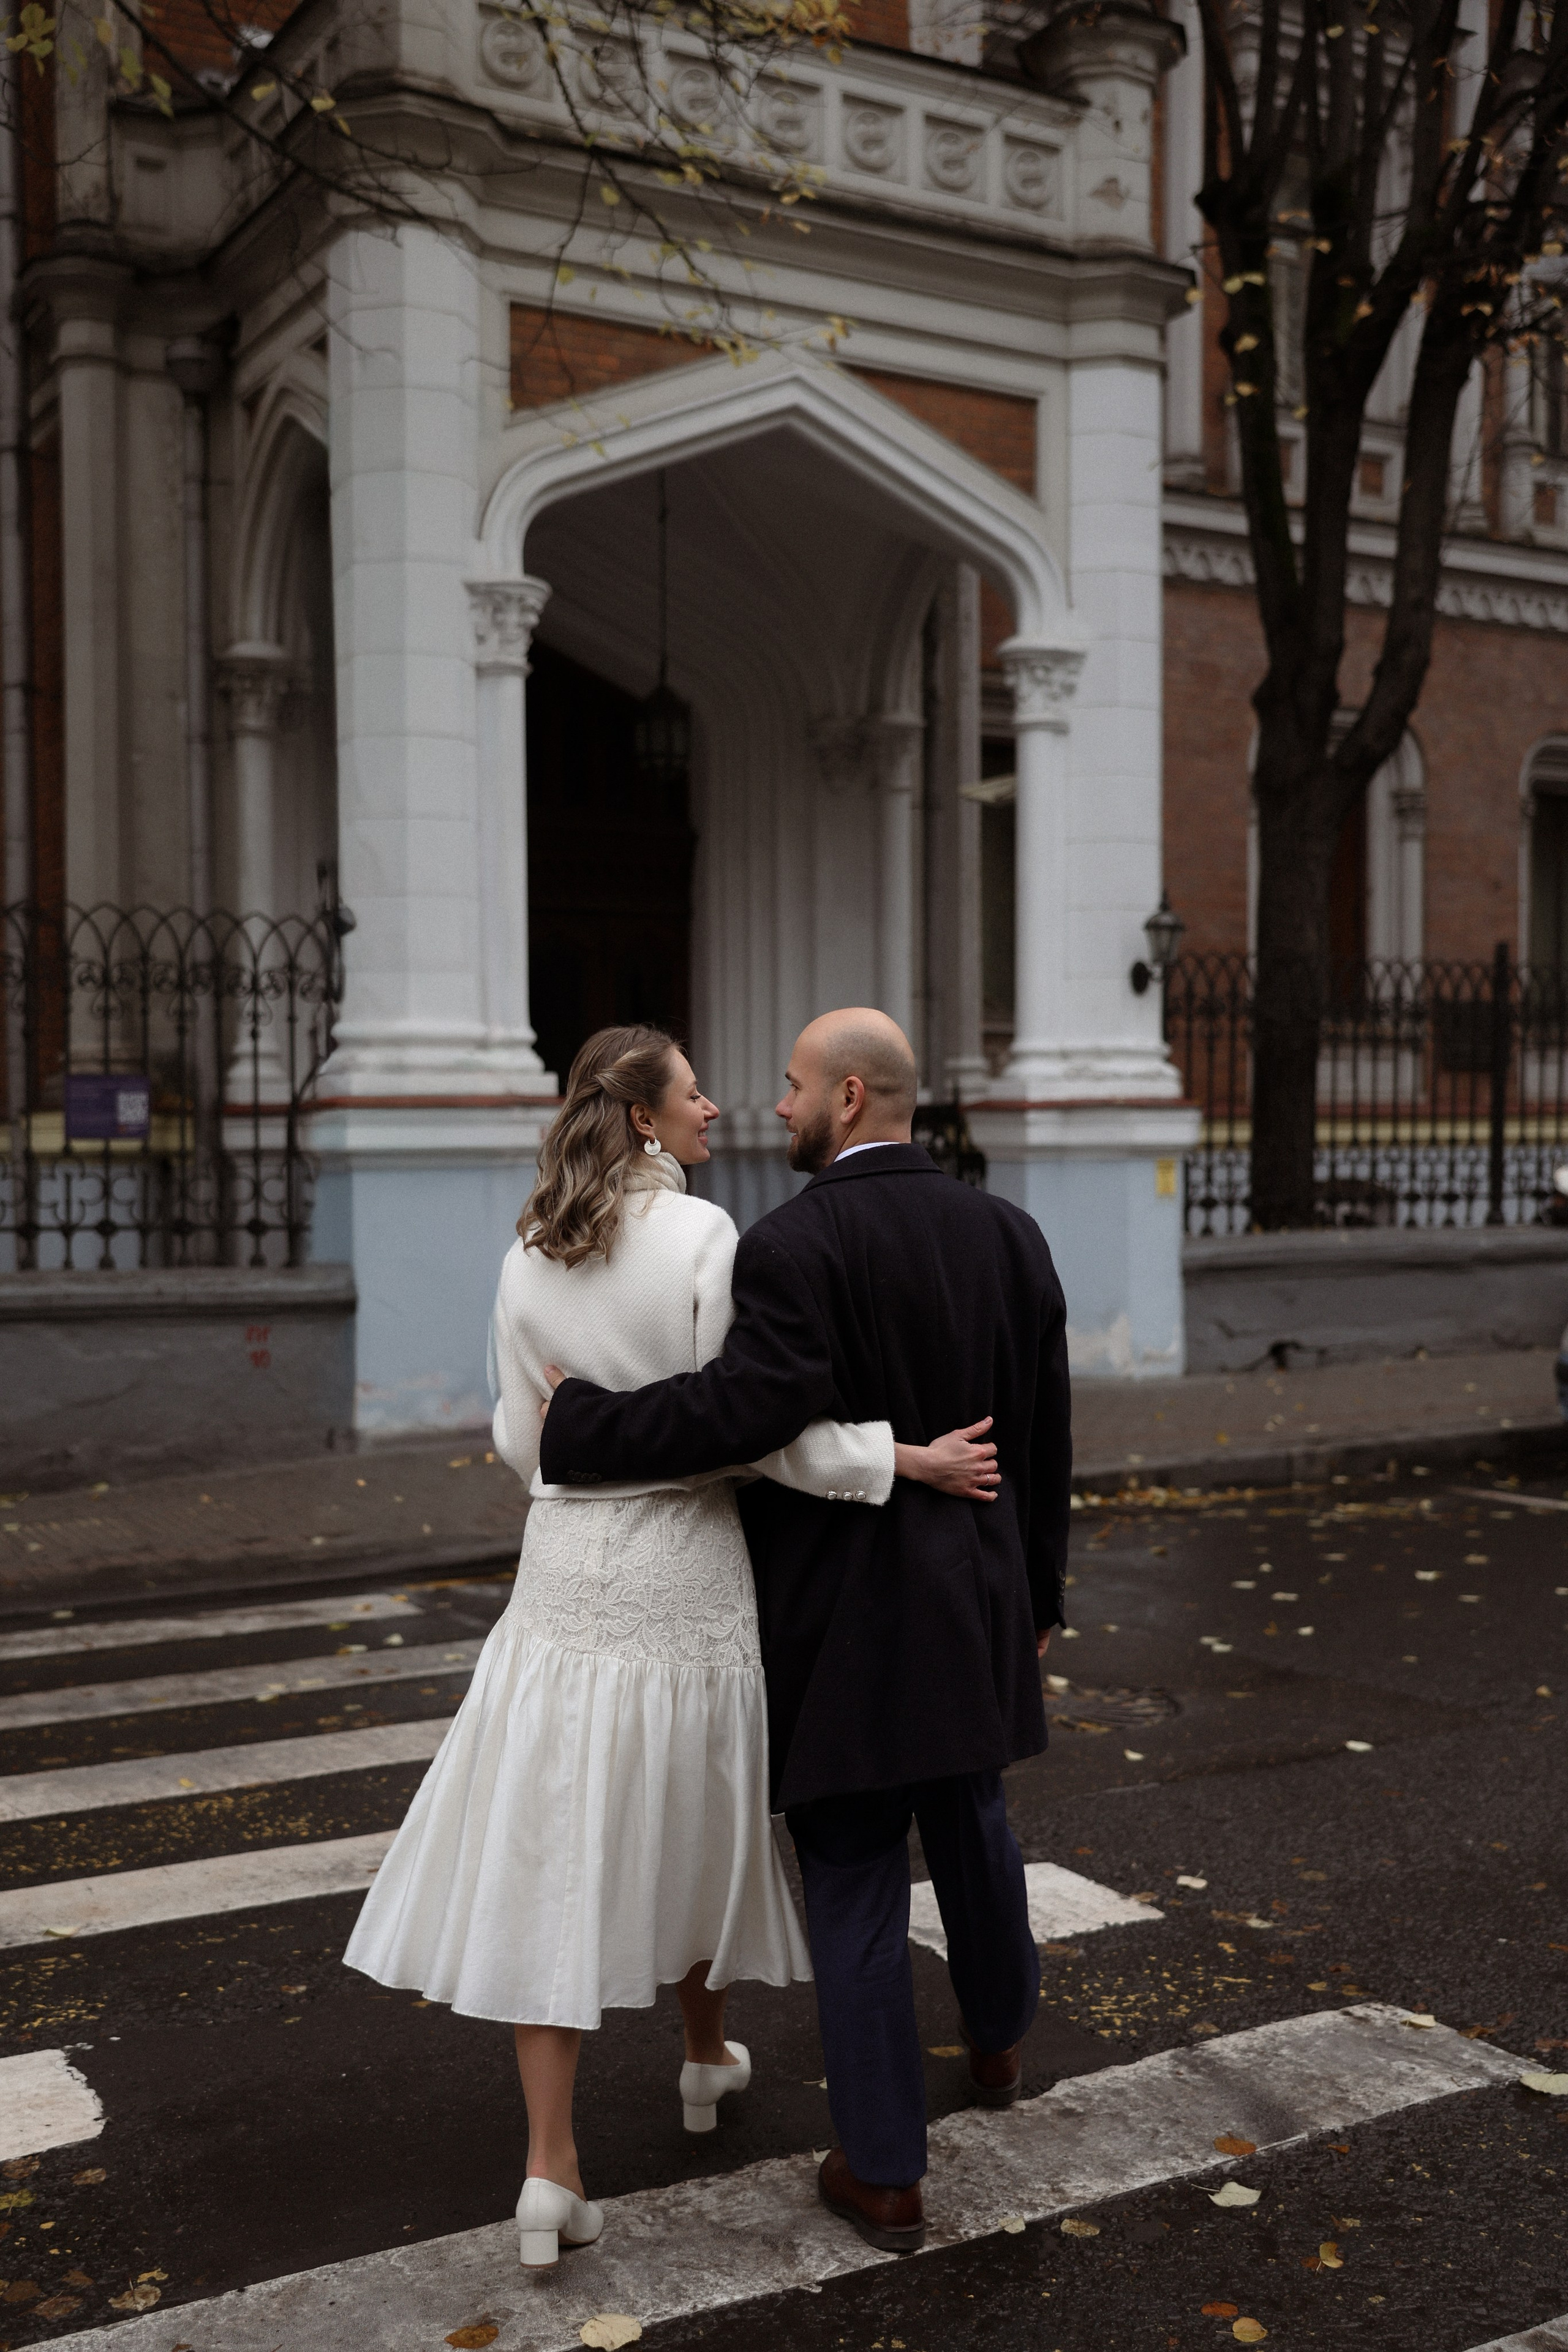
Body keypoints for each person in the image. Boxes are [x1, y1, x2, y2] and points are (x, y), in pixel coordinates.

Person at [342, 1023, 998, 2271]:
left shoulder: (526, 1250)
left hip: (562, 1583)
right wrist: (894, 1456)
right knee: (696, 1820)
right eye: (693, 1093)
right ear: (643, 1118)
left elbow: (519, 1444)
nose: (717, 1108)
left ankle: (550, 2167)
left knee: (555, 1847)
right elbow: (754, 1427)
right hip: (690, 1574)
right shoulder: (705, 1237)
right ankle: (701, 2055)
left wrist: (576, 1436)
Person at [540, 1008, 1072, 2255]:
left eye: (788, 1088)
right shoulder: (1009, 1234)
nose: (771, 1108)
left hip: (844, 1619)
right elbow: (1043, 1438)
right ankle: (996, 2037)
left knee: (849, 1874)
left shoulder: (792, 1246)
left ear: (844, 1098)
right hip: (978, 1591)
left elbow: (744, 1413)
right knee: (972, 1810)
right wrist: (1038, 1596)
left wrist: (583, 1429)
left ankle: (883, 2169)